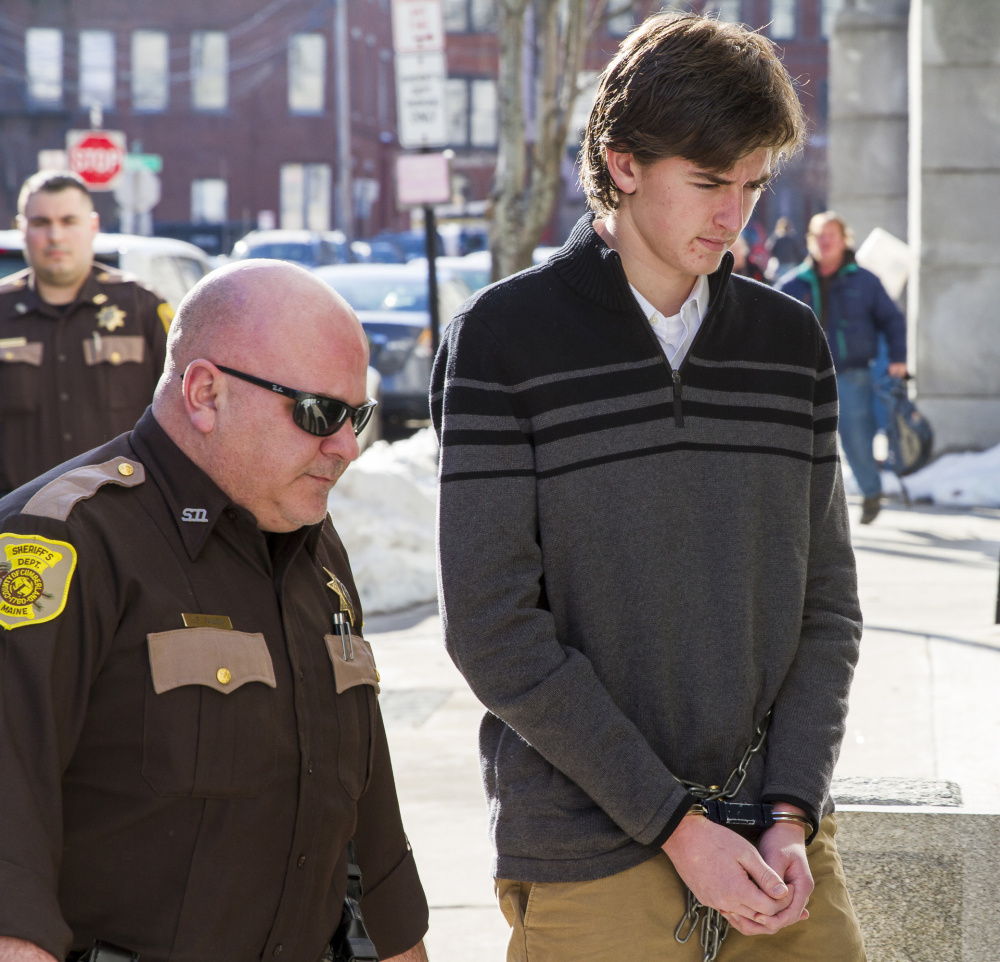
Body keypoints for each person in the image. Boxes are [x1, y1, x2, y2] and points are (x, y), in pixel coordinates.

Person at [431, 13, 865, 962]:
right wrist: (676, 826)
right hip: (589, 847)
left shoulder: (790, 346)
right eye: (709, 182)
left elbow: (826, 609)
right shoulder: (505, 342)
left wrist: (791, 812)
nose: (734, 214)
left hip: (778, 847)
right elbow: (494, 630)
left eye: (752, 184)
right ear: (622, 164)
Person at [0, 260, 429, 962]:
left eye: (358, 417)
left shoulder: (315, 550)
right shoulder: (61, 541)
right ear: (205, 392)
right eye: (319, 414)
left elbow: (367, 816)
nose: (346, 446)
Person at [0, 171, 172, 499]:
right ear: (22, 229)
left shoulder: (141, 307)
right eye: (40, 223)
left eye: (68, 221)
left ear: (92, 226)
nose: (55, 236)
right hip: (15, 523)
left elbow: (180, 417)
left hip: (123, 518)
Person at [777, 211, 907, 524]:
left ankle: (871, 491)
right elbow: (773, 322)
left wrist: (899, 358)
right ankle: (802, 508)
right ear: (810, 241)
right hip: (805, 376)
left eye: (830, 235)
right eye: (818, 236)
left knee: (855, 438)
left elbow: (892, 320)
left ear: (844, 240)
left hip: (851, 373)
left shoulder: (865, 281)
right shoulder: (793, 283)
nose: (824, 242)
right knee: (802, 441)